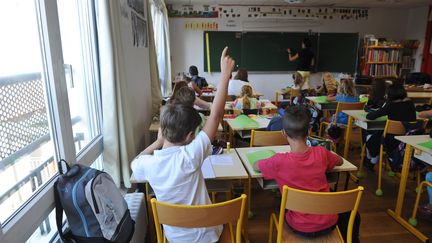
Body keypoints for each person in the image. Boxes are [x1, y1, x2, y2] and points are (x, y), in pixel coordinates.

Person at [131, 47, 235, 242]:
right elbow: (216, 115)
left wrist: (157, 143)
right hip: (208, 237)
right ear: (189, 136)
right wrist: (225, 75)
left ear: (163, 128)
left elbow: (135, 162)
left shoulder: (149, 165)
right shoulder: (191, 156)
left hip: (175, 238)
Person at [254, 106, 360, 242]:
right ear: (309, 131)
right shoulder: (321, 153)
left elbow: (255, 166)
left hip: (298, 225)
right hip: (329, 223)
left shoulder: (277, 161)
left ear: (283, 133)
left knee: (281, 206)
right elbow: (339, 161)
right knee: (351, 213)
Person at [364, 83, 417, 170]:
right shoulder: (410, 104)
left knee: (370, 136)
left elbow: (370, 116)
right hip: (406, 138)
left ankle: (372, 161)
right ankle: (378, 160)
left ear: (390, 95)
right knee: (376, 136)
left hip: (390, 140)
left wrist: (384, 104)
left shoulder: (390, 105)